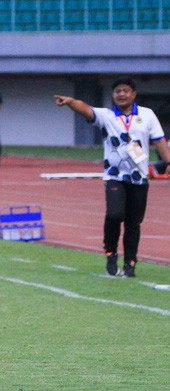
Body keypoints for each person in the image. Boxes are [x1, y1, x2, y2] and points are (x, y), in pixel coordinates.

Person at [54, 77, 170, 277]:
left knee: (134, 222)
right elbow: (86, 109)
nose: (121, 94)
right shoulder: (106, 116)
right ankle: (110, 252)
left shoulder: (147, 115)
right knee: (115, 214)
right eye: (117, 91)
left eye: (125, 91)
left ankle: (130, 262)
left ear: (133, 94)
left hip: (139, 177)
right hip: (115, 176)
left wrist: (168, 161)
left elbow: (159, 141)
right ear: (113, 95)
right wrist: (70, 102)